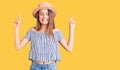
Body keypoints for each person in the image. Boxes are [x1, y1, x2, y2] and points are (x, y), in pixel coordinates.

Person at [14, 2, 76, 70]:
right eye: (41, 14)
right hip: (35, 67)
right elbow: (18, 46)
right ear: (38, 16)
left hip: (51, 67)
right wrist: (17, 28)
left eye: (47, 14)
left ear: (51, 16)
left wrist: (71, 29)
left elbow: (69, 48)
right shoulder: (32, 31)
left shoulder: (56, 32)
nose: (44, 17)